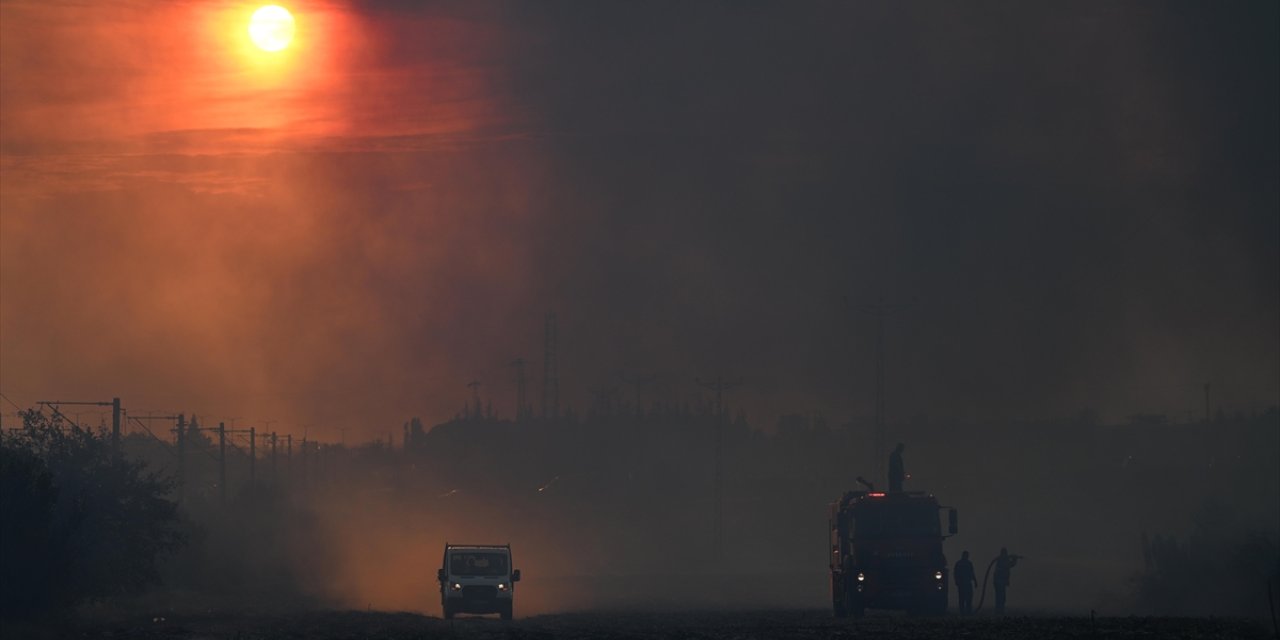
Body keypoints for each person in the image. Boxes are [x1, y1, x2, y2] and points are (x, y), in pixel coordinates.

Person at [993, 547, 1019, 614]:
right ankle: (999, 610)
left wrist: (1014, 559)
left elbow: (1010, 565)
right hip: (999, 581)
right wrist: (1014, 559)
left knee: (1001, 597)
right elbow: (1009, 565)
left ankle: (1000, 610)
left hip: (1000, 581)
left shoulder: (1002, 560)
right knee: (1000, 597)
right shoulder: (1001, 560)